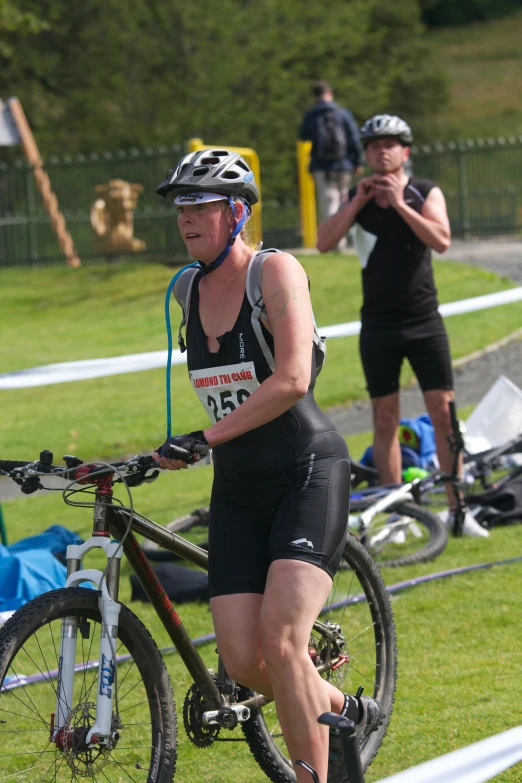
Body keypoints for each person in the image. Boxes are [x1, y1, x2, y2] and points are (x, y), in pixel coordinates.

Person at [154, 148, 383, 783]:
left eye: (200, 206)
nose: (187, 219)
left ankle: (314, 775)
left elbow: (291, 378)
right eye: (181, 209)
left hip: (305, 471)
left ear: (237, 212)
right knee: (249, 665)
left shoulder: (275, 271)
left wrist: (206, 436)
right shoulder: (184, 289)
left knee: (284, 643)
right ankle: (346, 710)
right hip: (237, 489)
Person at [316, 114, 488, 538]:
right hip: (377, 325)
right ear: (367, 153)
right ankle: (398, 515)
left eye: (391, 144)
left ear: (405, 151)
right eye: (374, 145)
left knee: (443, 413)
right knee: (385, 418)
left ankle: (457, 508)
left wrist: (400, 205)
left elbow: (441, 239)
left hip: (424, 320)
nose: (382, 151)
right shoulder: (358, 195)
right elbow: (323, 242)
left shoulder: (424, 191)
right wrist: (357, 202)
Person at [299, 80, 364, 252]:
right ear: (330, 93)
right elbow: (353, 138)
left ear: (315, 96)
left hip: (321, 165)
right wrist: (358, 161)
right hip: (343, 164)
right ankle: (349, 240)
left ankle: (335, 243)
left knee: (329, 202)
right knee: (346, 201)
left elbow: (303, 135)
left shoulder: (312, 115)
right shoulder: (342, 113)